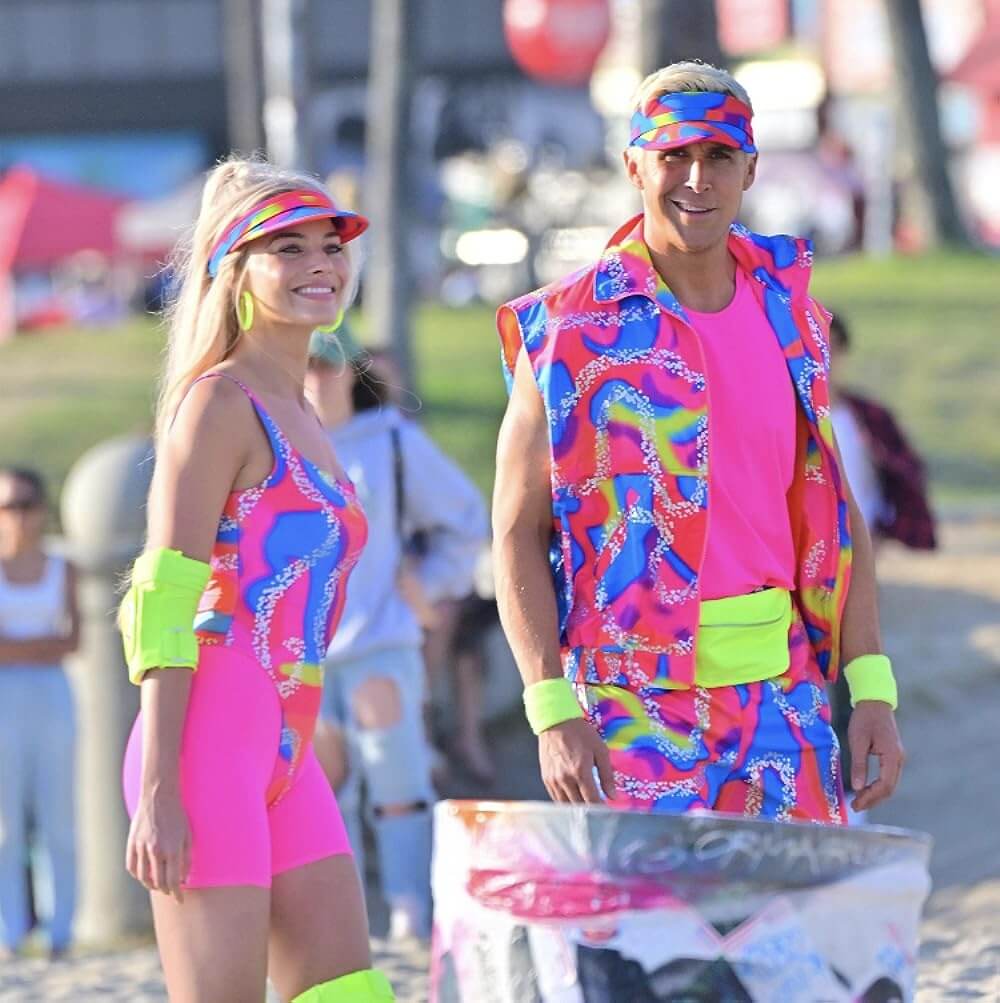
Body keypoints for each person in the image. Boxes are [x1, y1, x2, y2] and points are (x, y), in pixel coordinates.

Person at [492, 62, 905, 825]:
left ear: (750, 168)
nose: (696, 178)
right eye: (673, 155)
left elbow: (836, 511)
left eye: (718, 155)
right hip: (627, 711)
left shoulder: (795, 319)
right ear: (633, 166)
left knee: (799, 906)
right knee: (656, 910)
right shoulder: (564, 332)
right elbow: (518, 529)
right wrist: (551, 708)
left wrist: (872, 688)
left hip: (781, 705)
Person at [119, 156, 395, 1003]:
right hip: (201, 741)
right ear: (234, 271)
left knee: (348, 990)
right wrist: (160, 786)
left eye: (331, 246)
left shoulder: (303, 408)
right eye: (289, 248)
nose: (321, 264)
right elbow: (165, 594)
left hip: (286, 741)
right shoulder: (219, 404)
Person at [305, 336, 487, 942]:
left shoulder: (390, 440)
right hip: (303, 651)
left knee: (397, 777)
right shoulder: (277, 439)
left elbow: (466, 520)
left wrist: (427, 584)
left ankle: (411, 907)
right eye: (305, 363)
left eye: (327, 363)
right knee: (323, 791)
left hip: (380, 638)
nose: (316, 375)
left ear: (349, 370)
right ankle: (344, 916)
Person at [828, 309, 936, 824]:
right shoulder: (780, 411)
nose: (823, 360)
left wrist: (884, 541)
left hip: (857, 573)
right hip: (794, 579)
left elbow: (901, 479)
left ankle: (853, 801)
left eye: (832, 350)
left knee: (860, 680)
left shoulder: (865, 420)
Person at [0, 467, 79, 960]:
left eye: (27, 504)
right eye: (9, 506)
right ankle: (9, 931)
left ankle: (60, 929)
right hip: (5, 697)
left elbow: (73, 640)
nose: (19, 516)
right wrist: (36, 648)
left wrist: (16, 649)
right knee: (6, 820)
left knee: (58, 817)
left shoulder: (62, 568)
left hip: (52, 694)